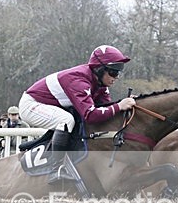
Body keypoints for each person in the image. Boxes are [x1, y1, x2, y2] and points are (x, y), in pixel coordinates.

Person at [17, 45, 136, 182]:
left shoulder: (100, 83)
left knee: (69, 120)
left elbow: (105, 109)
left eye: (119, 72)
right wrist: (120, 106)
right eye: (113, 72)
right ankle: (57, 170)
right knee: (66, 120)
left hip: (50, 104)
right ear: (100, 69)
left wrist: (125, 104)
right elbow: (91, 115)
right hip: (31, 105)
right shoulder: (79, 81)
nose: (117, 77)